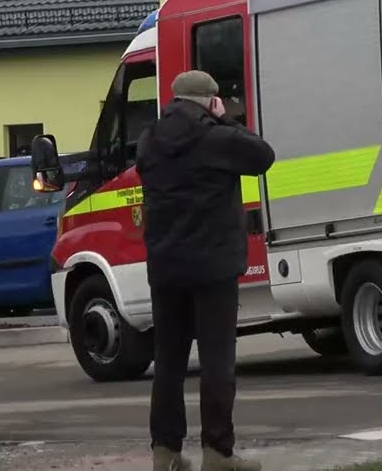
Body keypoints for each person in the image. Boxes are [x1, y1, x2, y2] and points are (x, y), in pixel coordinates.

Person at [136, 70, 276, 471]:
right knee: (216, 362)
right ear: (211, 100)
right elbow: (263, 155)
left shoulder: (150, 140)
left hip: (165, 268)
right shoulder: (217, 139)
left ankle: (164, 452)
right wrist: (224, 119)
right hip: (213, 267)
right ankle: (217, 453)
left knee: (169, 363)